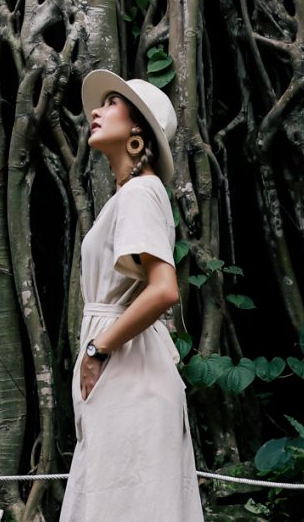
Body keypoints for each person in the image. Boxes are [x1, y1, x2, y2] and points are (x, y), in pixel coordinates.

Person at [59, 69, 204, 522]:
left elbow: (164, 289)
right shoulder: (129, 196)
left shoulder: (142, 191)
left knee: (128, 502)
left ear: (138, 128)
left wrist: (98, 348)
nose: (96, 112)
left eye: (111, 104)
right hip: (125, 369)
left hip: (129, 370)